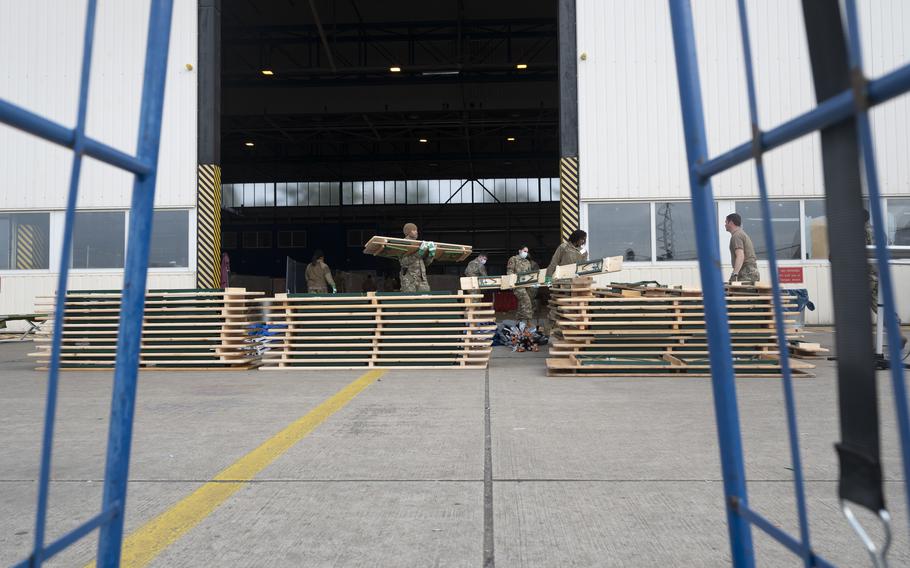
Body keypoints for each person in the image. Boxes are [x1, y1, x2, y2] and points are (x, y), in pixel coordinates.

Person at [724, 213, 760, 283]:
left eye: (726, 222)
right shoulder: (741, 233)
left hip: (746, 273)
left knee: (743, 293)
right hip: (750, 272)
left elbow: (740, 255)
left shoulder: (737, 236)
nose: (725, 225)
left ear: (731, 223)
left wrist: (734, 274)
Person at [399, 223, 433, 292]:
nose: (416, 232)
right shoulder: (403, 244)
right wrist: (419, 253)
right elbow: (404, 263)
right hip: (409, 279)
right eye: (413, 230)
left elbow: (426, 264)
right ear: (408, 232)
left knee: (425, 299)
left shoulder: (419, 245)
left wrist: (431, 255)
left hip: (422, 279)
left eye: (416, 230)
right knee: (410, 301)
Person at [507, 246, 534, 324]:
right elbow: (510, 272)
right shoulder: (513, 259)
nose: (526, 253)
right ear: (519, 251)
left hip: (526, 285)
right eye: (524, 251)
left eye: (527, 252)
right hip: (517, 285)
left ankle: (519, 322)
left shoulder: (527, 262)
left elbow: (530, 274)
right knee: (526, 301)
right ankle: (528, 321)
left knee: (521, 303)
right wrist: (511, 284)